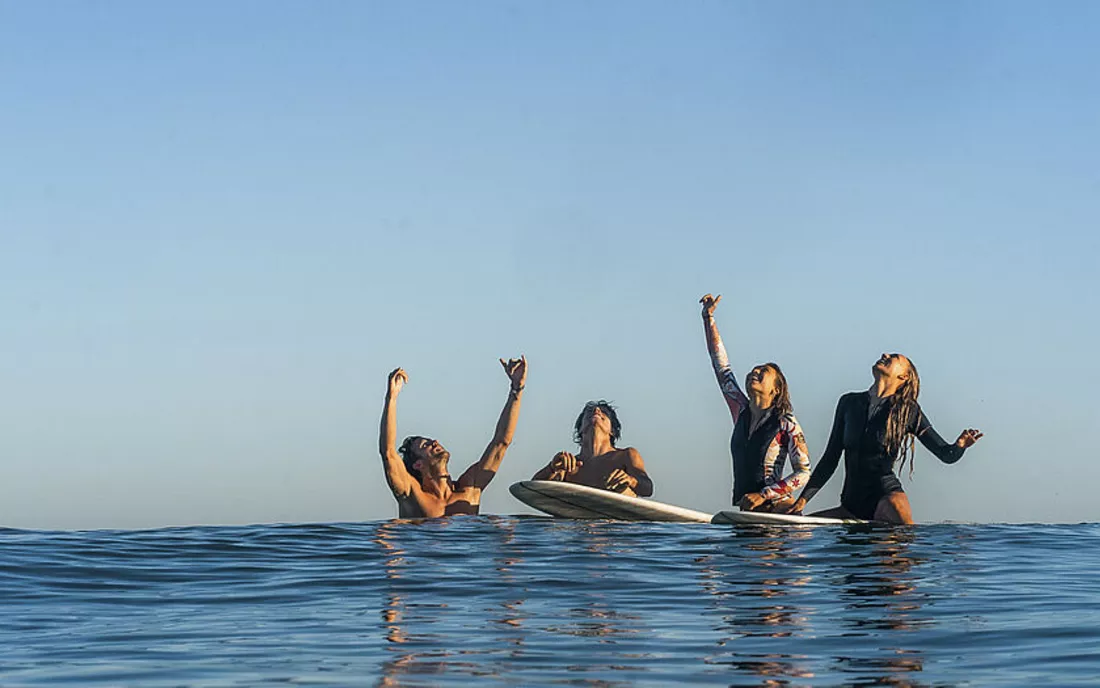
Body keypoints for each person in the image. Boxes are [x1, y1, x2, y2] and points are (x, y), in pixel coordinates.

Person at [789, 353, 983, 524]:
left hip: (886, 497)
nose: (885, 354)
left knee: (895, 550)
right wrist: (802, 500)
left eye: (894, 358)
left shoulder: (907, 410)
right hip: (851, 505)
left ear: (903, 376)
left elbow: (946, 455)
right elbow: (830, 458)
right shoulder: (848, 403)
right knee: (801, 529)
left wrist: (960, 446)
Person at [700, 294, 811, 512]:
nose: (755, 371)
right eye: (753, 369)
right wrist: (708, 318)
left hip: (778, 509)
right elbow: (721, 367)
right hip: (748, 512)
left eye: (763, 371)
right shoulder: (740, 410)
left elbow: (804, 472)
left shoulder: (786, 422)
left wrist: (764, 494)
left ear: (776, 389)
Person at [378, 356, 527, 518]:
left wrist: (516, 390)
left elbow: (501, 443)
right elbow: (388, 452)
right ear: (418, 464)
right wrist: (391, 398)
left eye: (431, 441)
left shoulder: (471, 487)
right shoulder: (411, 494)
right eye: (425, 445)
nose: (435, 442)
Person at [532, 400, 654, 497]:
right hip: (578, 524)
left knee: (624, 490)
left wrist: (630, 480)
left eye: (604, 412)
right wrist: (551, 468)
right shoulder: (569, 465)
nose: (596, 411)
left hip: (618, 526)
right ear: (580, 429)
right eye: (589, 412)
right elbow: (532, 490)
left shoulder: (626, 455)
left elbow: (648, 489)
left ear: (612, 430)